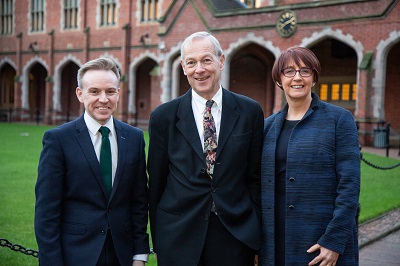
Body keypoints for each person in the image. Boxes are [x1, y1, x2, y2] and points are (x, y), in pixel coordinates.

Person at [147, 31, 264, 266]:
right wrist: (160, 241)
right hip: (178, 236)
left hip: (234, 234)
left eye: (206, 60)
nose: (199, 69)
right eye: (191, 62)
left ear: (221, 61)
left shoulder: (250, 111)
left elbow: (255, 178)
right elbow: (156, 184)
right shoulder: (163, 117)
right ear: (183, 67)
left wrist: (255, 235)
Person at [34, 57, 150, 266]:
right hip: (76, 254)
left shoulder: (134, 138)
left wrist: (139, 255)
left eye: (110, 91)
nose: (104, 99)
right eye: (94, 91)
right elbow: (46, 211)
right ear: (80, 94)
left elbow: (139, 201)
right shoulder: (58, 140)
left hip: (122, 255)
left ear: (118, 93)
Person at [260, 47, 360, 266]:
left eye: (305, 71)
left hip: (320, 237)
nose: (297, 77)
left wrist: (334, 240)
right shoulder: (266, 127)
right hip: (274, 237)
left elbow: (350, 185)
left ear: (314, 78)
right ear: (279, 79)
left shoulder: (339, 120)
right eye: (289, 71)